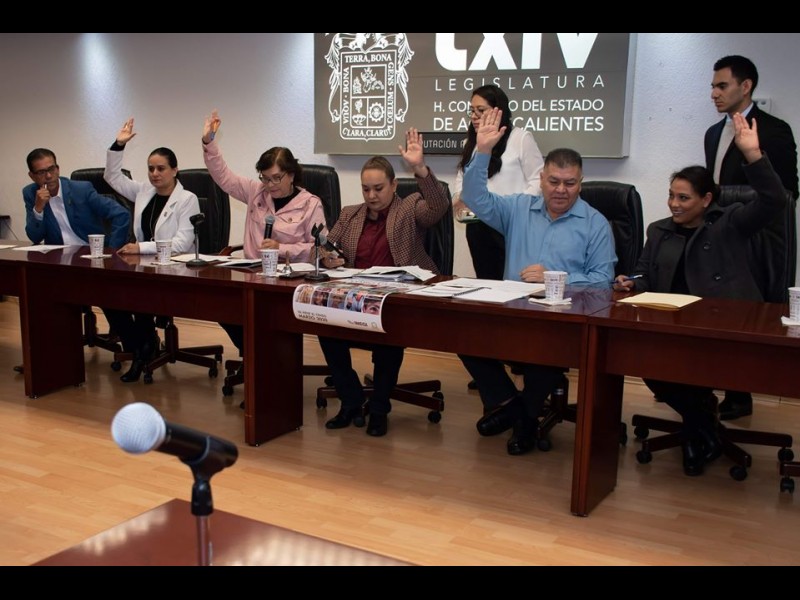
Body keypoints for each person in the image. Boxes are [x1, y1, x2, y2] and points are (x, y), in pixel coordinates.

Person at [616, 113, 787, 476]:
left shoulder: (730, 223)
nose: (674, 204)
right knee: (641, 359)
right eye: (671, 196)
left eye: (684, 198)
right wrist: (631, 283)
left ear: (707, 199)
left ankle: (699, 431)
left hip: (723, 327)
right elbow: (644, 273)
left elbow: (775, 201)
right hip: (672, 324)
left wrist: (753, 156)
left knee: (692, 366)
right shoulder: (659, 230)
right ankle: (703, 422)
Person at [459, 107, 616, 456]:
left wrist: (555, 279)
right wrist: (482, 151)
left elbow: (603, 282)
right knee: (464, 333)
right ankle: (516, 408)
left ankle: (524, 420)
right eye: (554, 181)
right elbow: (474, 197)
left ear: (580, 183)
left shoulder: (595, 224)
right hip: (513, 312)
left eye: (570, 183)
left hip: (563, 322)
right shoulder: (518, 209)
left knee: (545, 352)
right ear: (542, 178)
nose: (561, 190)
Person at [317, 128, 450, 437]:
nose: (371, 196)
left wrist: (420, 168)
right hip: (357, 297)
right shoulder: (350, 214)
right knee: (325, 326)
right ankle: (351, 401)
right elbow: (324, 248)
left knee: (389, 333)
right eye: (366, 189)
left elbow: (438, 207)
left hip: (396, 300)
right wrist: (327, 257)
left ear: (393, 185)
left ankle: (378, 408)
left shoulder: (409, 208)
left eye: (378, 188)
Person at [704, 55, 799, 421]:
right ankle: (695, 385)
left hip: (756, 240)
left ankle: (739, 394)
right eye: (712, 86)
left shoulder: (774, 130)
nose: (714, 93)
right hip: (718, 236)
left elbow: (787, 192)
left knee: (741, 318)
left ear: (746, 87)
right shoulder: (714, 132)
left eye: (722, 85)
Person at [201, 110, 326, 358]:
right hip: (253, 276)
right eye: (265, 178)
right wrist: (208, 141)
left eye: (277, 178)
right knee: (221, 306)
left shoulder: (311, 204)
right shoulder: (255, 192)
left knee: (269, 318)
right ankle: (254, 356)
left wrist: (282, 249)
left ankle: (262, 360)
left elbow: (319, 249)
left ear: (291, 174)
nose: (270, 185)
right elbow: (222, 176)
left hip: (289, 281)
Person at [103, 117, 201, 383]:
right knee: (109, 295)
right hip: (142, 265)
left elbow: (181, 245)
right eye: (151, 169)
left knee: (140, 296)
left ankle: (141, 353)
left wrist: (141, 248)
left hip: (174, 269)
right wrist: (118, 145)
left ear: (175, 170)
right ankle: (140, 347)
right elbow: (112, 177)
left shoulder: (187, 199)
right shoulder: (144, 191)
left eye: (161, 168)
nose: (155, 174)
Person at [453, 84, 544, 281]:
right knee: (487, 282)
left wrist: (518, 209)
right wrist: (461, 199)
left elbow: (538, 179)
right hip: (478, 225)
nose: (474, 116)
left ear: (498, 110)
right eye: (472, 111)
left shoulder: (521, 138)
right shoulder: (471, 142)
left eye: (481, 110)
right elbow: (462, 179)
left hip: (512, 224)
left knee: (515, 281)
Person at [24, 148, 130, 250]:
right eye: (41, 172)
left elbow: (121, 214)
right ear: (32, 176)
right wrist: (38, 209)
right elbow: (35, 237)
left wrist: (113, 249)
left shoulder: (81, 190)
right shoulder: (31, 193)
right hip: (57, 256)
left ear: (58, 169)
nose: (48, 176)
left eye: (51, 169)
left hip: (89, 252)